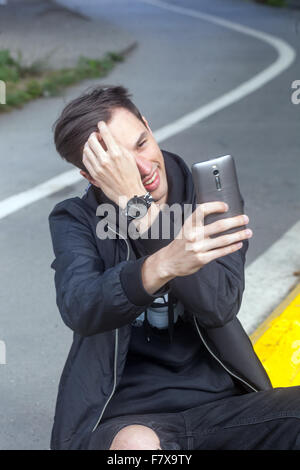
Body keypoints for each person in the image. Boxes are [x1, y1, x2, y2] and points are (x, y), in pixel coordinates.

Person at [48, 85, 300, 451]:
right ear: (92, 176)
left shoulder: (209, 195)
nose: (144, 168)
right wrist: (161, 264)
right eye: (121, 163)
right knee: (137, 450)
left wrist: (144, 214)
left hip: (224, 408)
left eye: (141, 143)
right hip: (130, 421)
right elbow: (82, 306)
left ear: (149, 126)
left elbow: (219, 304)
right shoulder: (77, 218)